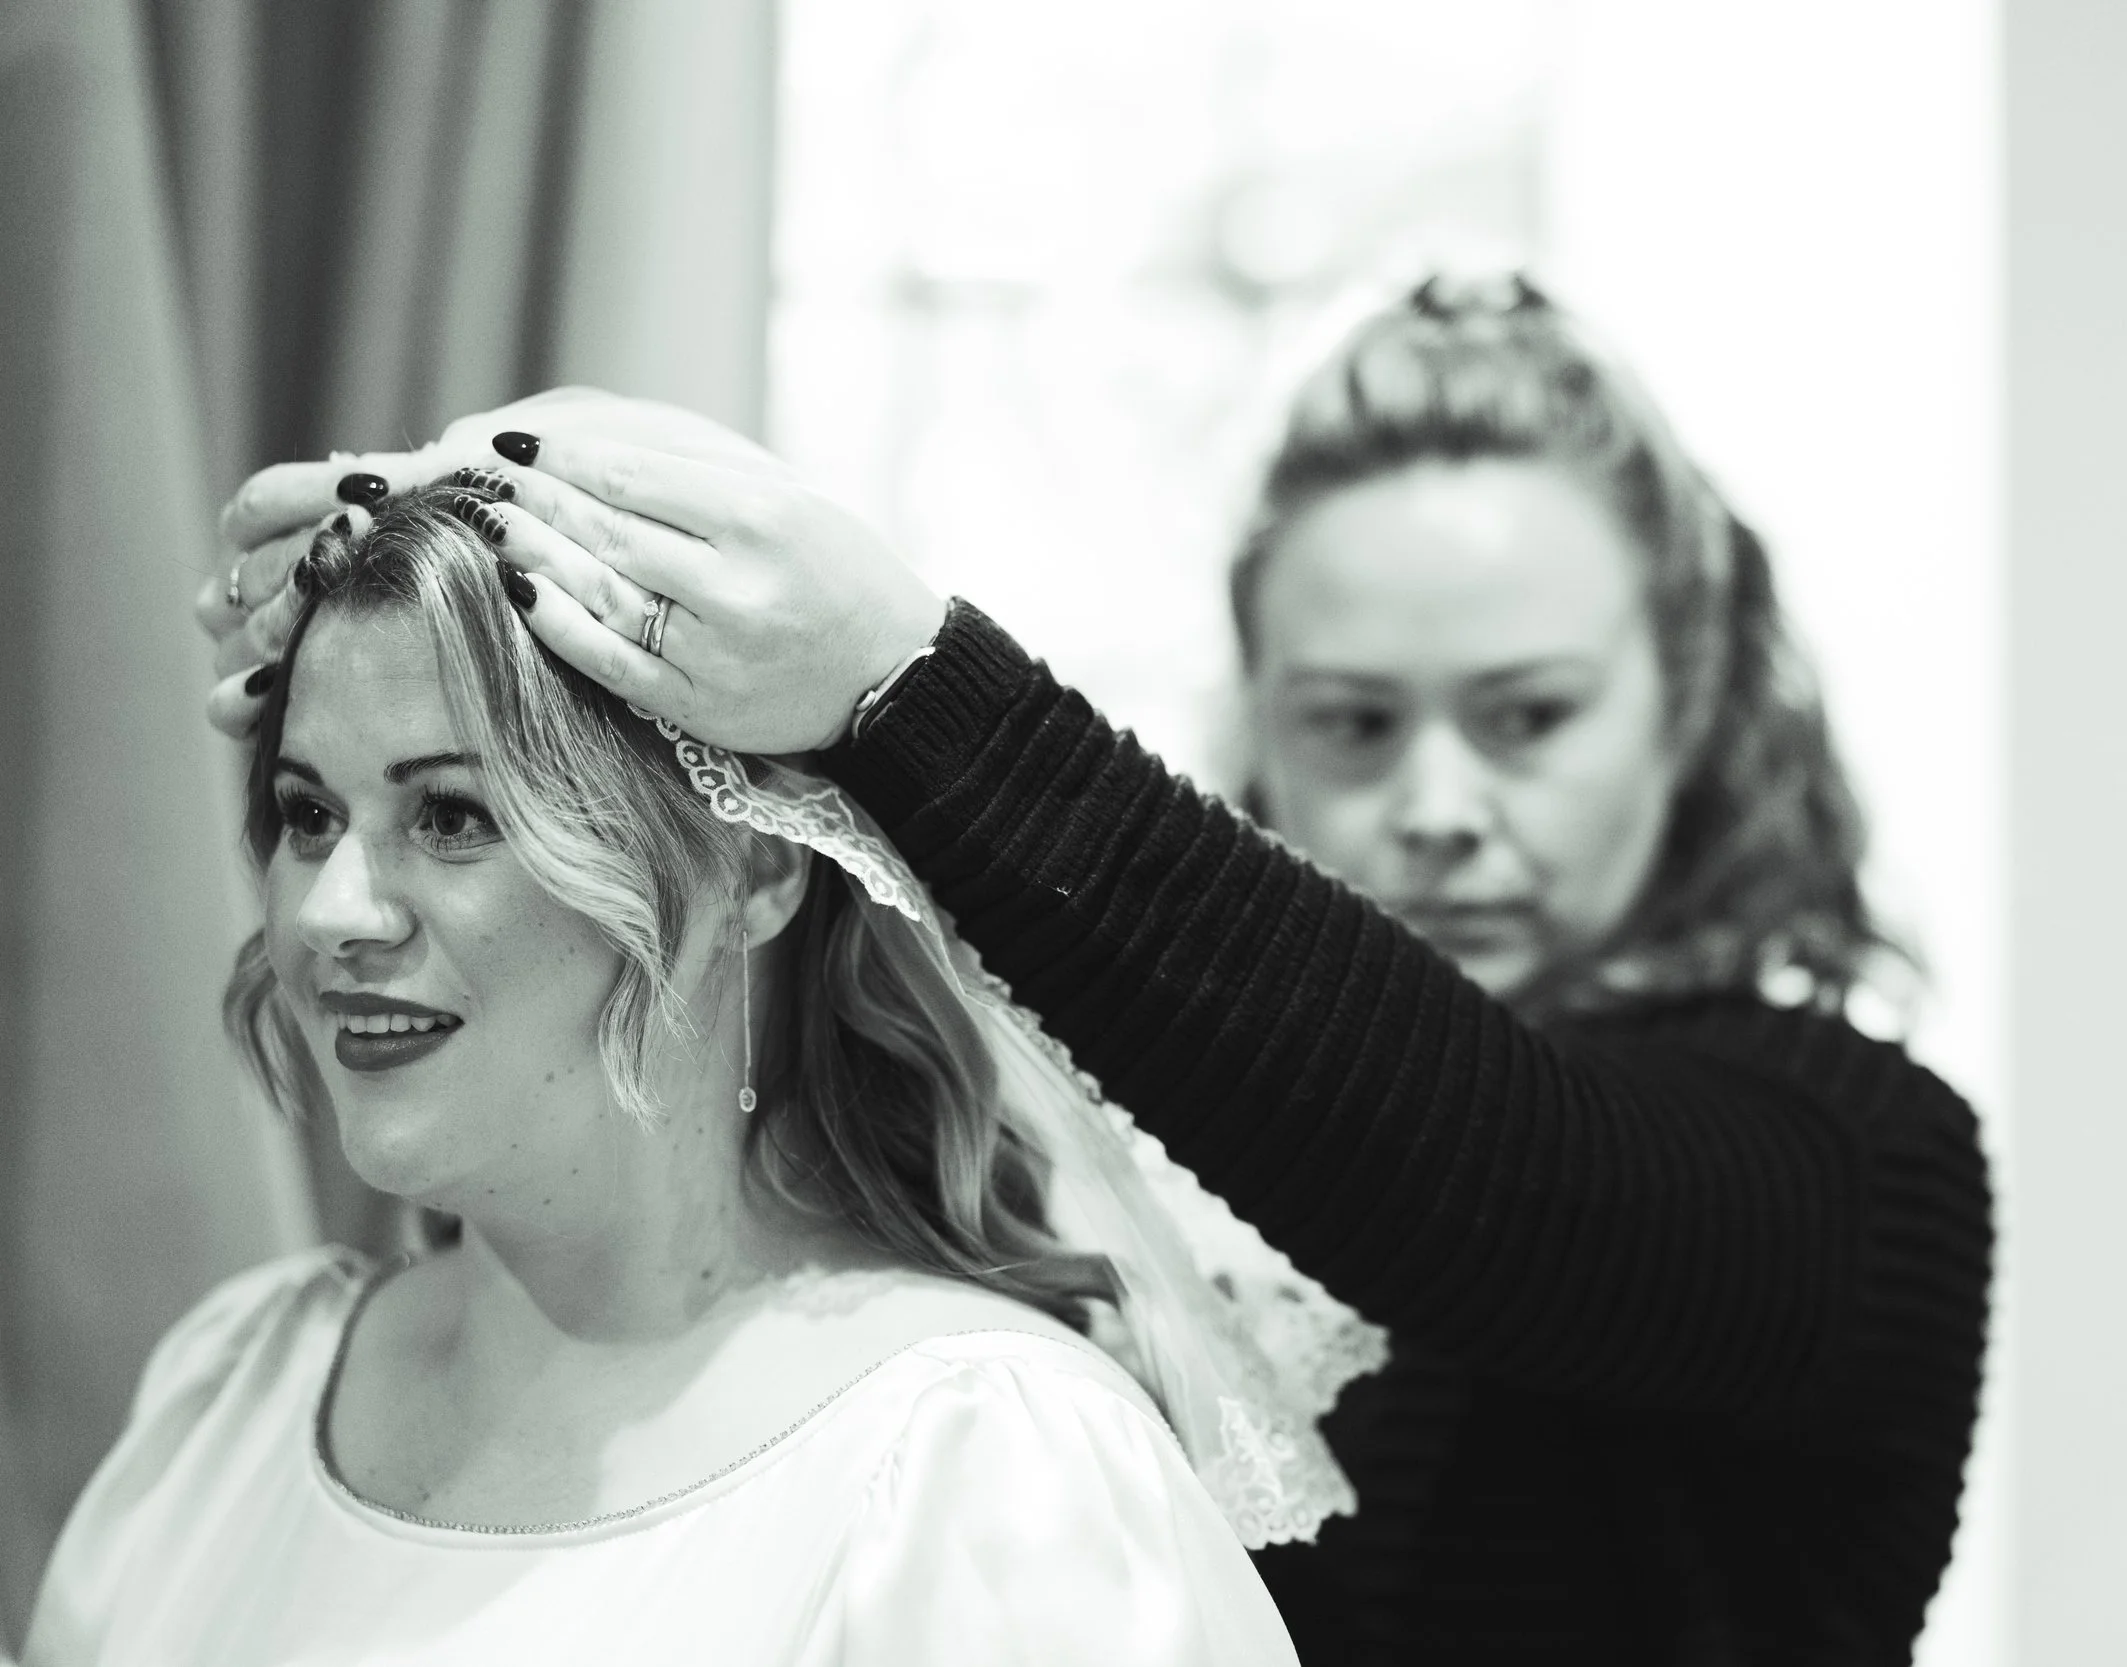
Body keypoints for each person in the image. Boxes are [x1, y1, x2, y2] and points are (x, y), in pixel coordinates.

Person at [203, 275, 1994, 1664]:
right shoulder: (1127, 1196)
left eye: (1528, 718)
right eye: (1353, 722)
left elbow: (1508, 1177)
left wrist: (901, 680)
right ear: (1260, 722)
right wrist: (484, 556)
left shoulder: (1862, 1170)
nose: (1440, 807)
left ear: (1689, 702)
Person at [32, 476, 1312, 1665]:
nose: (331, 913)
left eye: (454, 815)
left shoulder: (982, 1479)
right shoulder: (236, 1394)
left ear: (755, 868)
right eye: (311, 815)